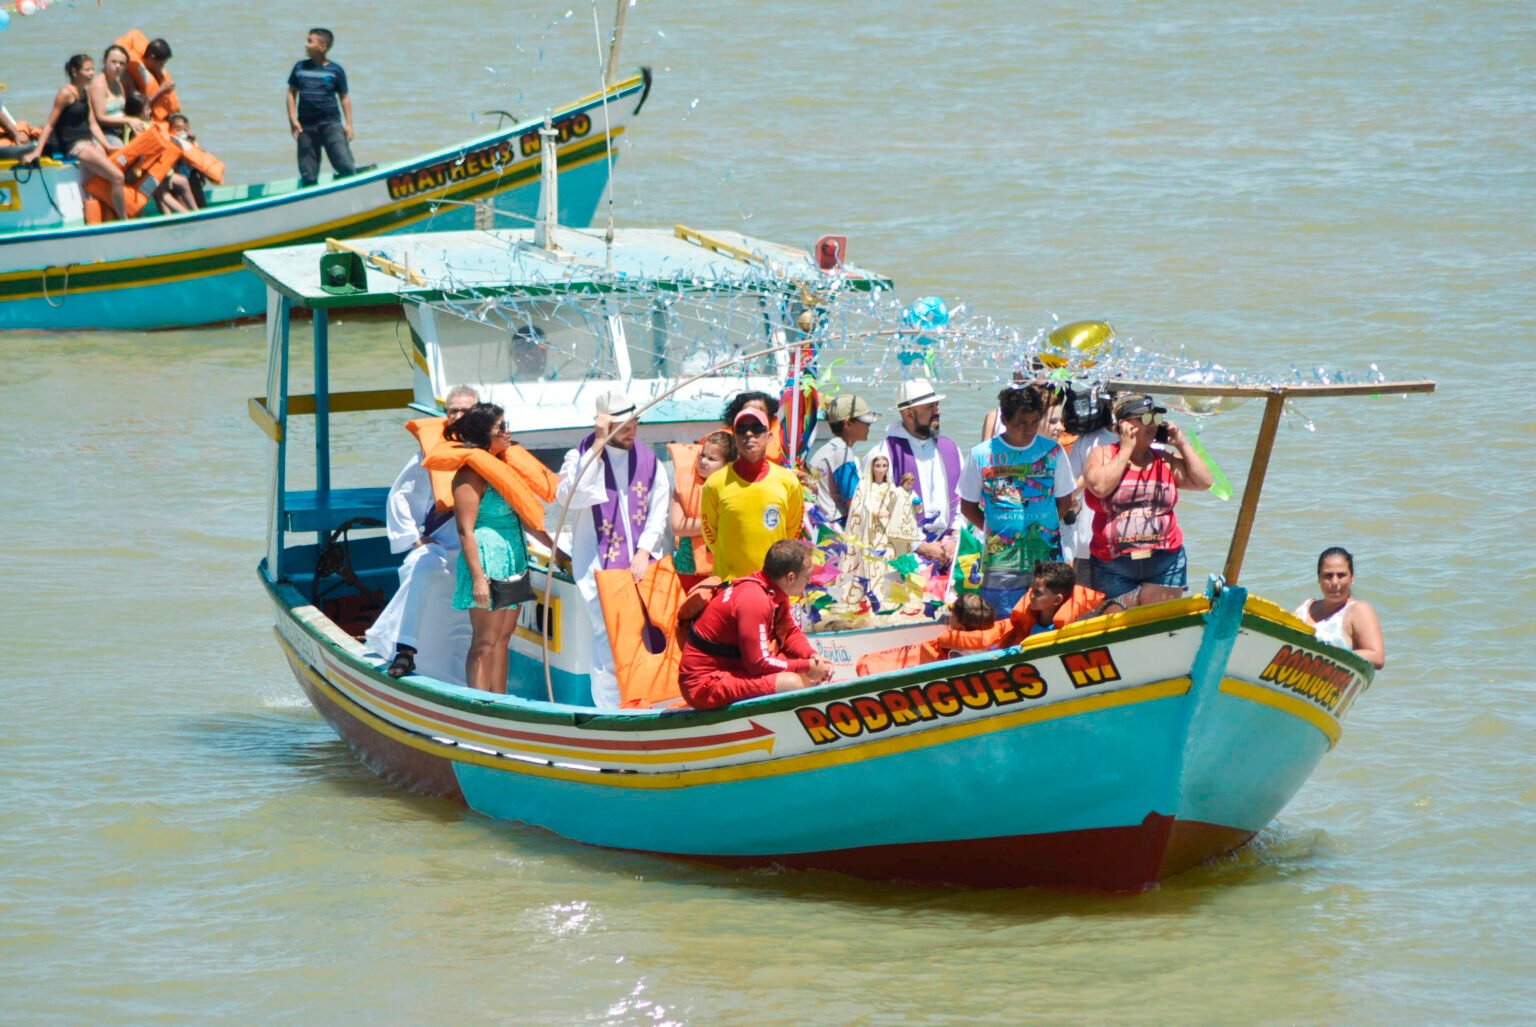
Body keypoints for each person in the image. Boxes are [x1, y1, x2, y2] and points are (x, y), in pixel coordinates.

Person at [555, 391, 670, 707]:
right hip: (599, 569)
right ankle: (610, 709)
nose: (631, 429)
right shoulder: (579, 456)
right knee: (609, 642)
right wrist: (597, 446)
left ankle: (650, 703)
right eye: (623, 425)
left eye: (634, 422)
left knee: (651, 637)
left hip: (643, 565)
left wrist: (645, 550)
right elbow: (572, 497)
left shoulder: (649, 461)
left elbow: (658, 509)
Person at [367, 386, 478, 679]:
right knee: (422, 564)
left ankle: (469, 684)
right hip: (442, 544)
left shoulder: (492, 450)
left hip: (478, 548)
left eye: (463, 411)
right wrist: (413, 537)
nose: (456, 416)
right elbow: (400, 494)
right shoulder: (430, 453)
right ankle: (404, 648)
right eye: (451, 410)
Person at [445, 404, 552, 692]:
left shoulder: (504, 467)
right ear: (484, 435)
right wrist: (479, 577)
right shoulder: (470, 475)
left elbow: (527, 520)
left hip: (513, 559)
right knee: (484, 641)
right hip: (487, 562)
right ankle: (478, 707)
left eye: (507, 425)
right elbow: (464, 530)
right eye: (500, 428)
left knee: (503, 639)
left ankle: (499, 700)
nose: (508, 432)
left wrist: (556, 550)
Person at [1083, 394, 1213, 604]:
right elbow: (1100, 487)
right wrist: (1126, 449)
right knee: (1119, 629)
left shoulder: (1164, 460)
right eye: (1144, 419)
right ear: (1124, 424)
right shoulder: (1103, 455)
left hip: (1164, 559)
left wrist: (1181, 444)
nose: (1152, 425)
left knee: (1155, 624)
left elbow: (1204, 482)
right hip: (1114, 562)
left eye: (1156, 419)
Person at [957, 383, 1075, 613]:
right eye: (1022, 423)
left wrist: (1043, 525)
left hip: (1046, 559)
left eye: (1034, 421)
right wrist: (996, 531)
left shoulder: (1053, 452)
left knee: (1046, 626)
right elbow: (967, 506)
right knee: (1004, 626)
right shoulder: (982, 454)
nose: (1029, 429)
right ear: (1005, 418)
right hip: (1001, 562)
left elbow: (1065, 500)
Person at [679, 539, 834, 709]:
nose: (809, 581)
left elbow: (789, 632)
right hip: (703, 684)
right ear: (790, 577)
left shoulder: (773, 589)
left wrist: (813, 657)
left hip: (730, 668)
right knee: (791, 682)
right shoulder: (754, 600)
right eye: (807, 576)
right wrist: (807, 666)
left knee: (802, 670)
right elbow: (758, 664)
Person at [865, 378, 962, 568]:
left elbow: (962, 501)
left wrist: (955, 536)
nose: (937, 411)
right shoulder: (883, 454)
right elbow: (874, 510)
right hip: (903, 554)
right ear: (909, 414)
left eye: (937, 405)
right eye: (930, 407)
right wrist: (920, 545)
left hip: (949, 551)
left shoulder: (950, 448)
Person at [700, 405, 804, 581]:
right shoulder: (714, 484)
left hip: (773, 585)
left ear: (769, 437)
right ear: (735, 437)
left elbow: (792, 532)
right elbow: (710, 532)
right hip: (731, 585)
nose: (749, 434)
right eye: (741, 429)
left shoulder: (789, 482)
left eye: (757, 429)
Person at [27, 55, 128, 221]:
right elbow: (50, 124)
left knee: (94, 184)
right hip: (75, 145)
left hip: (90, 142)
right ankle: (125, 220)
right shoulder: (66, 94)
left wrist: (106, 145)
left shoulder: (85, 93)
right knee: (117, 177)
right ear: (75, 72)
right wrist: (37, 151)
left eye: (93, 69)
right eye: (87, 70)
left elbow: (93, 124)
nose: (91, 73)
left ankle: (98, 219)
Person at [287, 27, 356, 187]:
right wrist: (292, 119)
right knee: (308, 173)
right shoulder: (300, 68)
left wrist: (349, 125)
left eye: (310, 41)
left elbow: (344, 98)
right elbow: (291, 94)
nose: (306, 45)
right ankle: (310, 198)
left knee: (344, 164)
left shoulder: (335, 71)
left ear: (323, 47)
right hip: (305, 126)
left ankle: (350, 189)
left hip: (331, 124)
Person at [1295, 547, 1386, 669]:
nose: (1334, 582)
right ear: (1319, 578)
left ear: (1352, 578)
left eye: (1341, 575)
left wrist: (1326, 655)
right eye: (1328, 575)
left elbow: (1377, 657)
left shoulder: (1358, 610)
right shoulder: (1306, 607)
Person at [669, 429, 734, 579]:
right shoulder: (683, 486)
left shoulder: (734, 489)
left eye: (712, 459)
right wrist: (715, 524)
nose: (703, 461)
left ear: (727, 465)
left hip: (722, 567)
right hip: (688, 568)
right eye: (702, 456)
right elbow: (677, 526)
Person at [807, 393, 878, 526]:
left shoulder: (828, 448)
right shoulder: (842, 452)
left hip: (821, 522)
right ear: (848, 424)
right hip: (837, 525)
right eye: (866, 422)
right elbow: (855, 503)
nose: (869, 426)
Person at [844, 454, 922, 557]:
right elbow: (856, 508)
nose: (881, 470)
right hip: (870, 530)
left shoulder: (891, 487)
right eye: (878, 466)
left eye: (884, 466)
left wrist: (914, 502)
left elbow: (901, 504)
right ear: (872, 467)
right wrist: (873, 512)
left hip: (888, 530)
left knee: (890, 557)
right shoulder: (863, 486)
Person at [1009, 561, 1105, 636]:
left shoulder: (1073, 631)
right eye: (1031, 590)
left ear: (1057, 600)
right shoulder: (1026, 627)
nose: (1031, 596)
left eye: (1038, 593)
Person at [88, 45, 149, 150]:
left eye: (121, 64)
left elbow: (123, 110)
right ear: (104, 61)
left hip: (122, 128)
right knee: (122, 150)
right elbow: (100, 118)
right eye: (113, 62)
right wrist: (129, 121)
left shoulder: (117, 83)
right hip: (105, 132)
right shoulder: (99, 85)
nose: (117, 66)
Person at [123, 37, 179, 125]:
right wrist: (161, 91)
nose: (162, 67)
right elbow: (136, 110)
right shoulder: (131, 75)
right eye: (161, 63)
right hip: (147, 121)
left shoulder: (155, 71)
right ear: (152, 59)